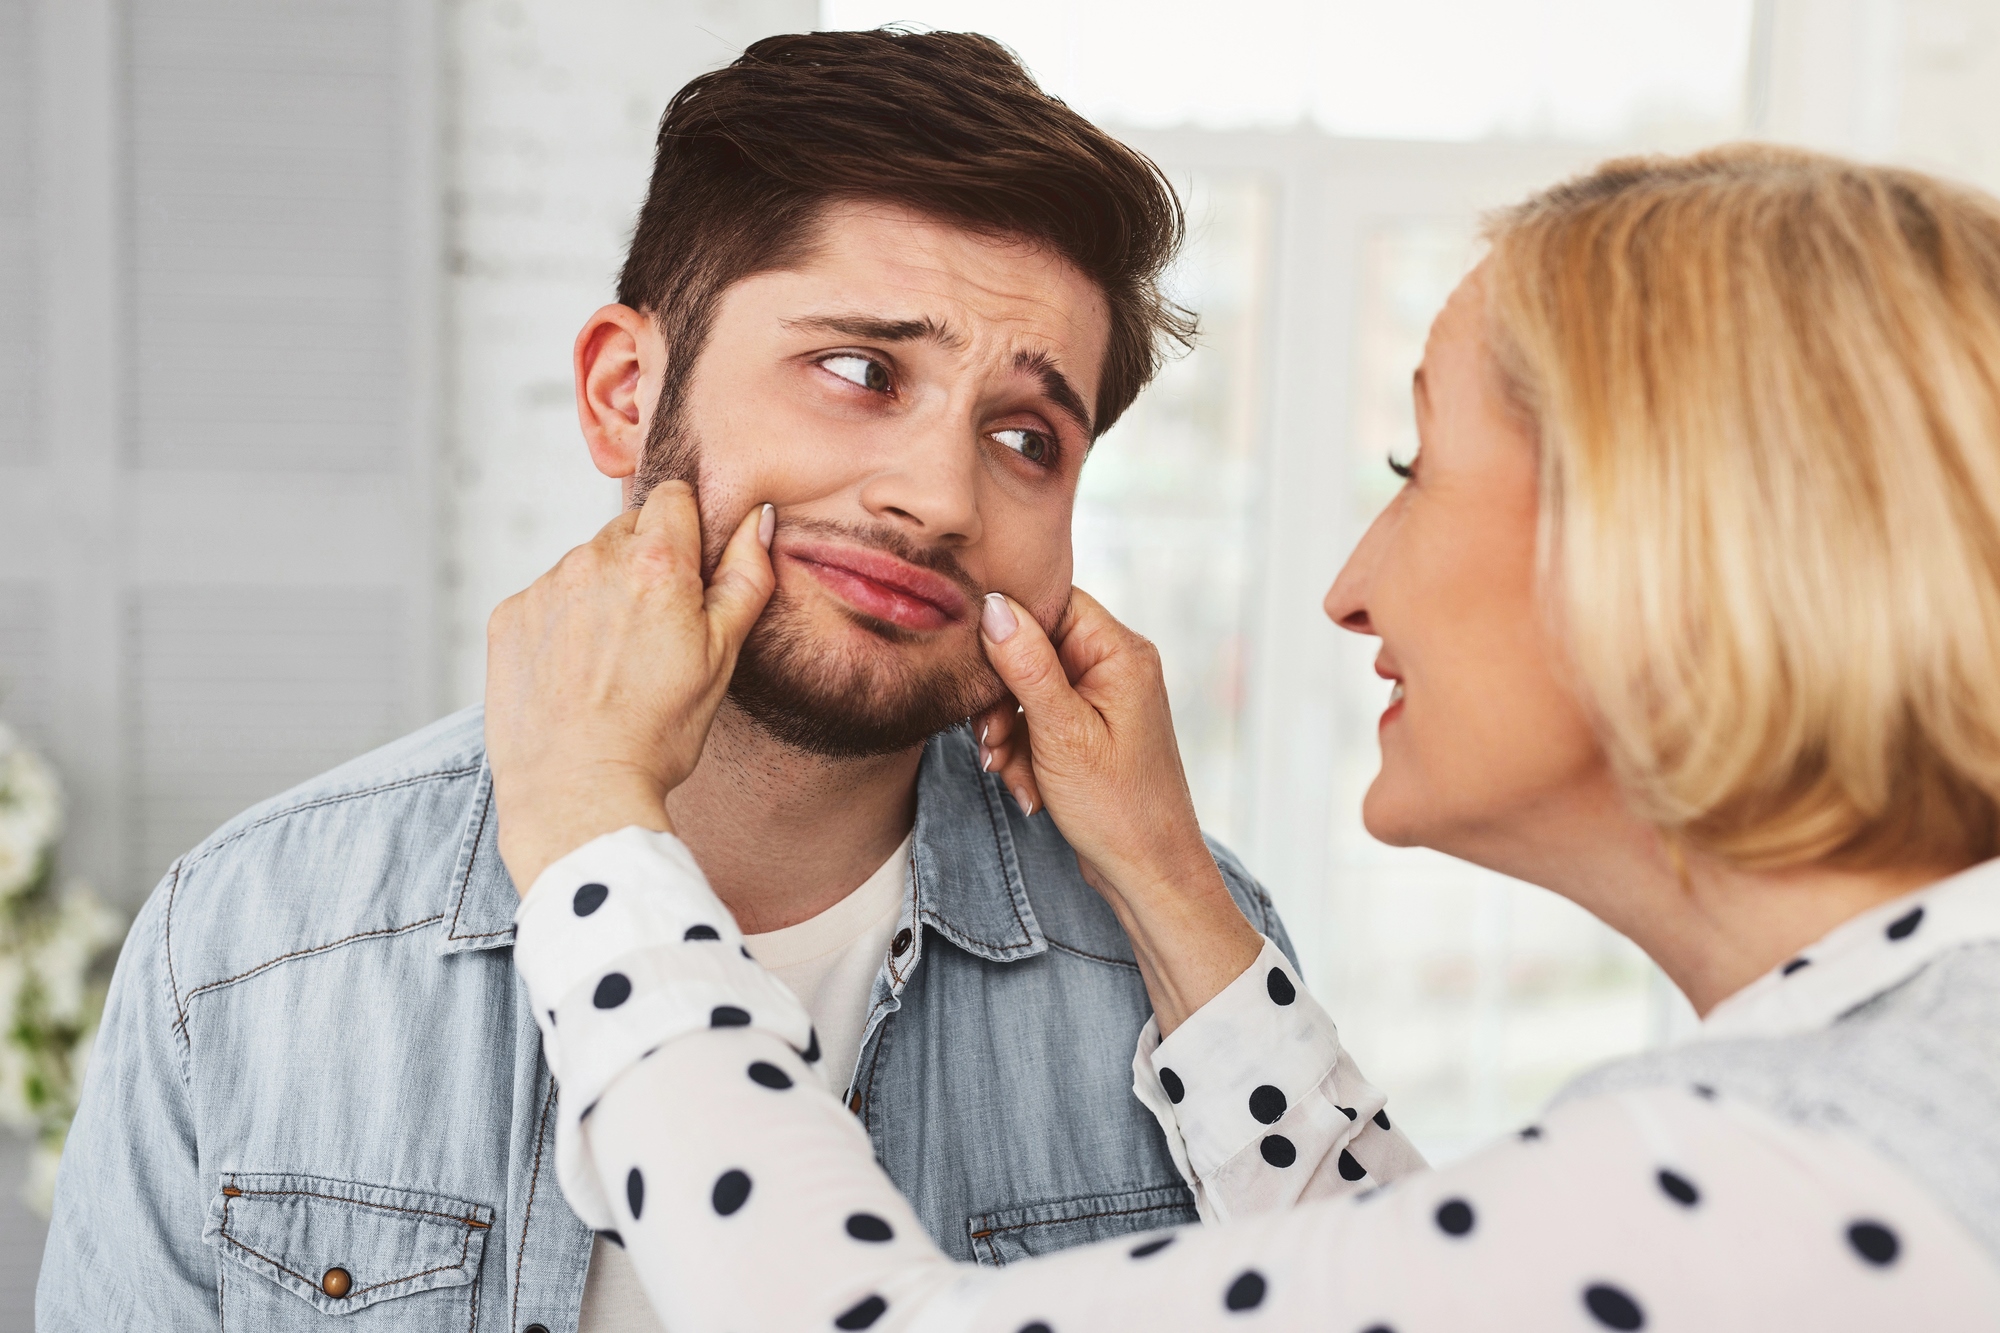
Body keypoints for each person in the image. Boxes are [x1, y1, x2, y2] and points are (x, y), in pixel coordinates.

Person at [483, 145, 2000, 1332]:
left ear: (1677, 539)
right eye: (862, 372)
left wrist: (588, 819)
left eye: (1418, 466)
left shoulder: (1788, 1176)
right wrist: (1161, 874)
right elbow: (1415, 1270)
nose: (1351, 588)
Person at [36, 32, 1325, 1332]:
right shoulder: (247, 948)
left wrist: (1167, 888)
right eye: (861, 371)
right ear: (621, 393)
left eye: (1023, 436)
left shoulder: (1193, 981)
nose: (939, 496)